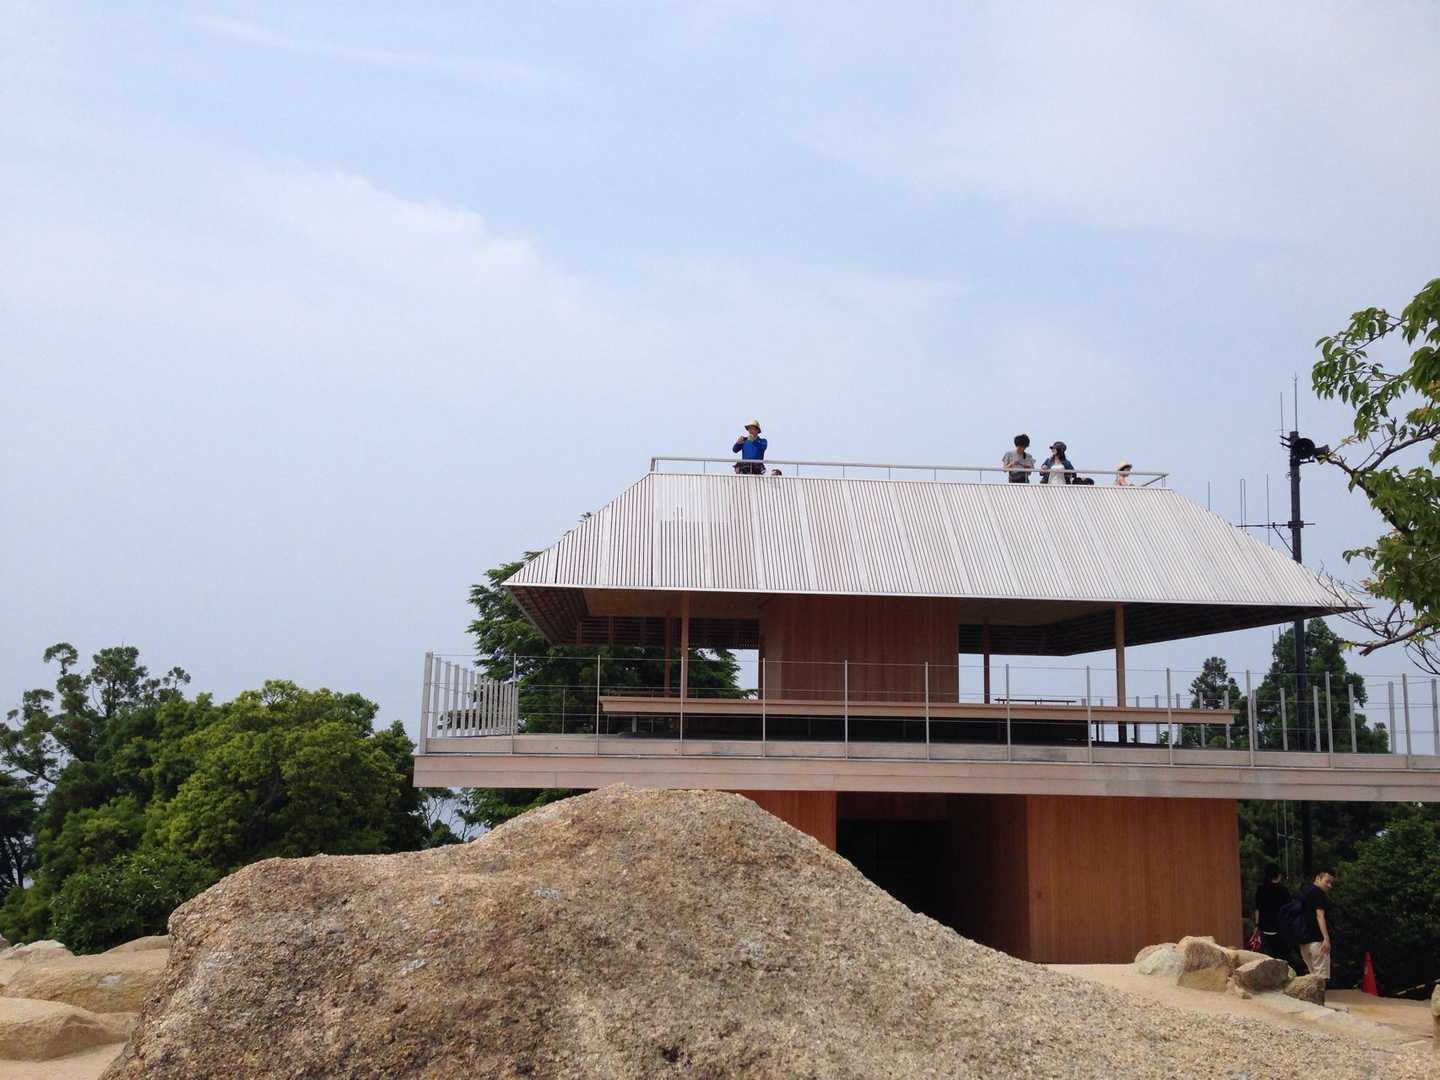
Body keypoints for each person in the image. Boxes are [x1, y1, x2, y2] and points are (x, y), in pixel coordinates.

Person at [1298, 868, 1336, 982]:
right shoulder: (1319, 893)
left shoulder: (1304, 892)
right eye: (1327, 881)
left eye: (1331, 883)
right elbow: (1320, 915)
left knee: (1312, 979)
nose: (1329, 886)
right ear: (1318, 878)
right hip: (1318, 942)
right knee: (1320, 980)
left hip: (1304, 942)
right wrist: (1326, 938)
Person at [1252, 865, 1290, 962]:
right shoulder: (1283, 890)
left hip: (1264, 927)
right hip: (1279, 927)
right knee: (1282, 956)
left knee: (1267, 956)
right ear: (1279, 875)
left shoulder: (1261, 889)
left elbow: (1258, 908)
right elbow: (1288, 910)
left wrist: (1257, 925)